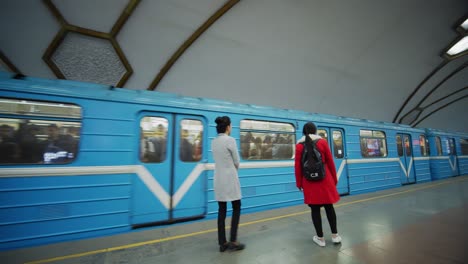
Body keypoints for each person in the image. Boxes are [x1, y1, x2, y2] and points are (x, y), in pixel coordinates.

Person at [294, 122, 342, 247]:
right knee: (329, 208)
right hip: (325, 180)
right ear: (315, 131)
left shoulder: (299, 146)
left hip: (309, 182)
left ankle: (320, 239)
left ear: (303, 132)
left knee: (315, 210)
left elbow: (298, 167)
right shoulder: (322, 142)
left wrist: (299, 183)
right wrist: (334, 180)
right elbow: (330, 162)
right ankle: (335, 236)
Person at [211, 116, 245, 252]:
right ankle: (233, 240)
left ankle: (222, 243)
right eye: (230, 126)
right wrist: (233, 170)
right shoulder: (230, 140)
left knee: (222, 210)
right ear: (227, 127)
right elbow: (236, 161)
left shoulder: (214, 142)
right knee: (236, 207)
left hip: (218, 179)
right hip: (230, 178)